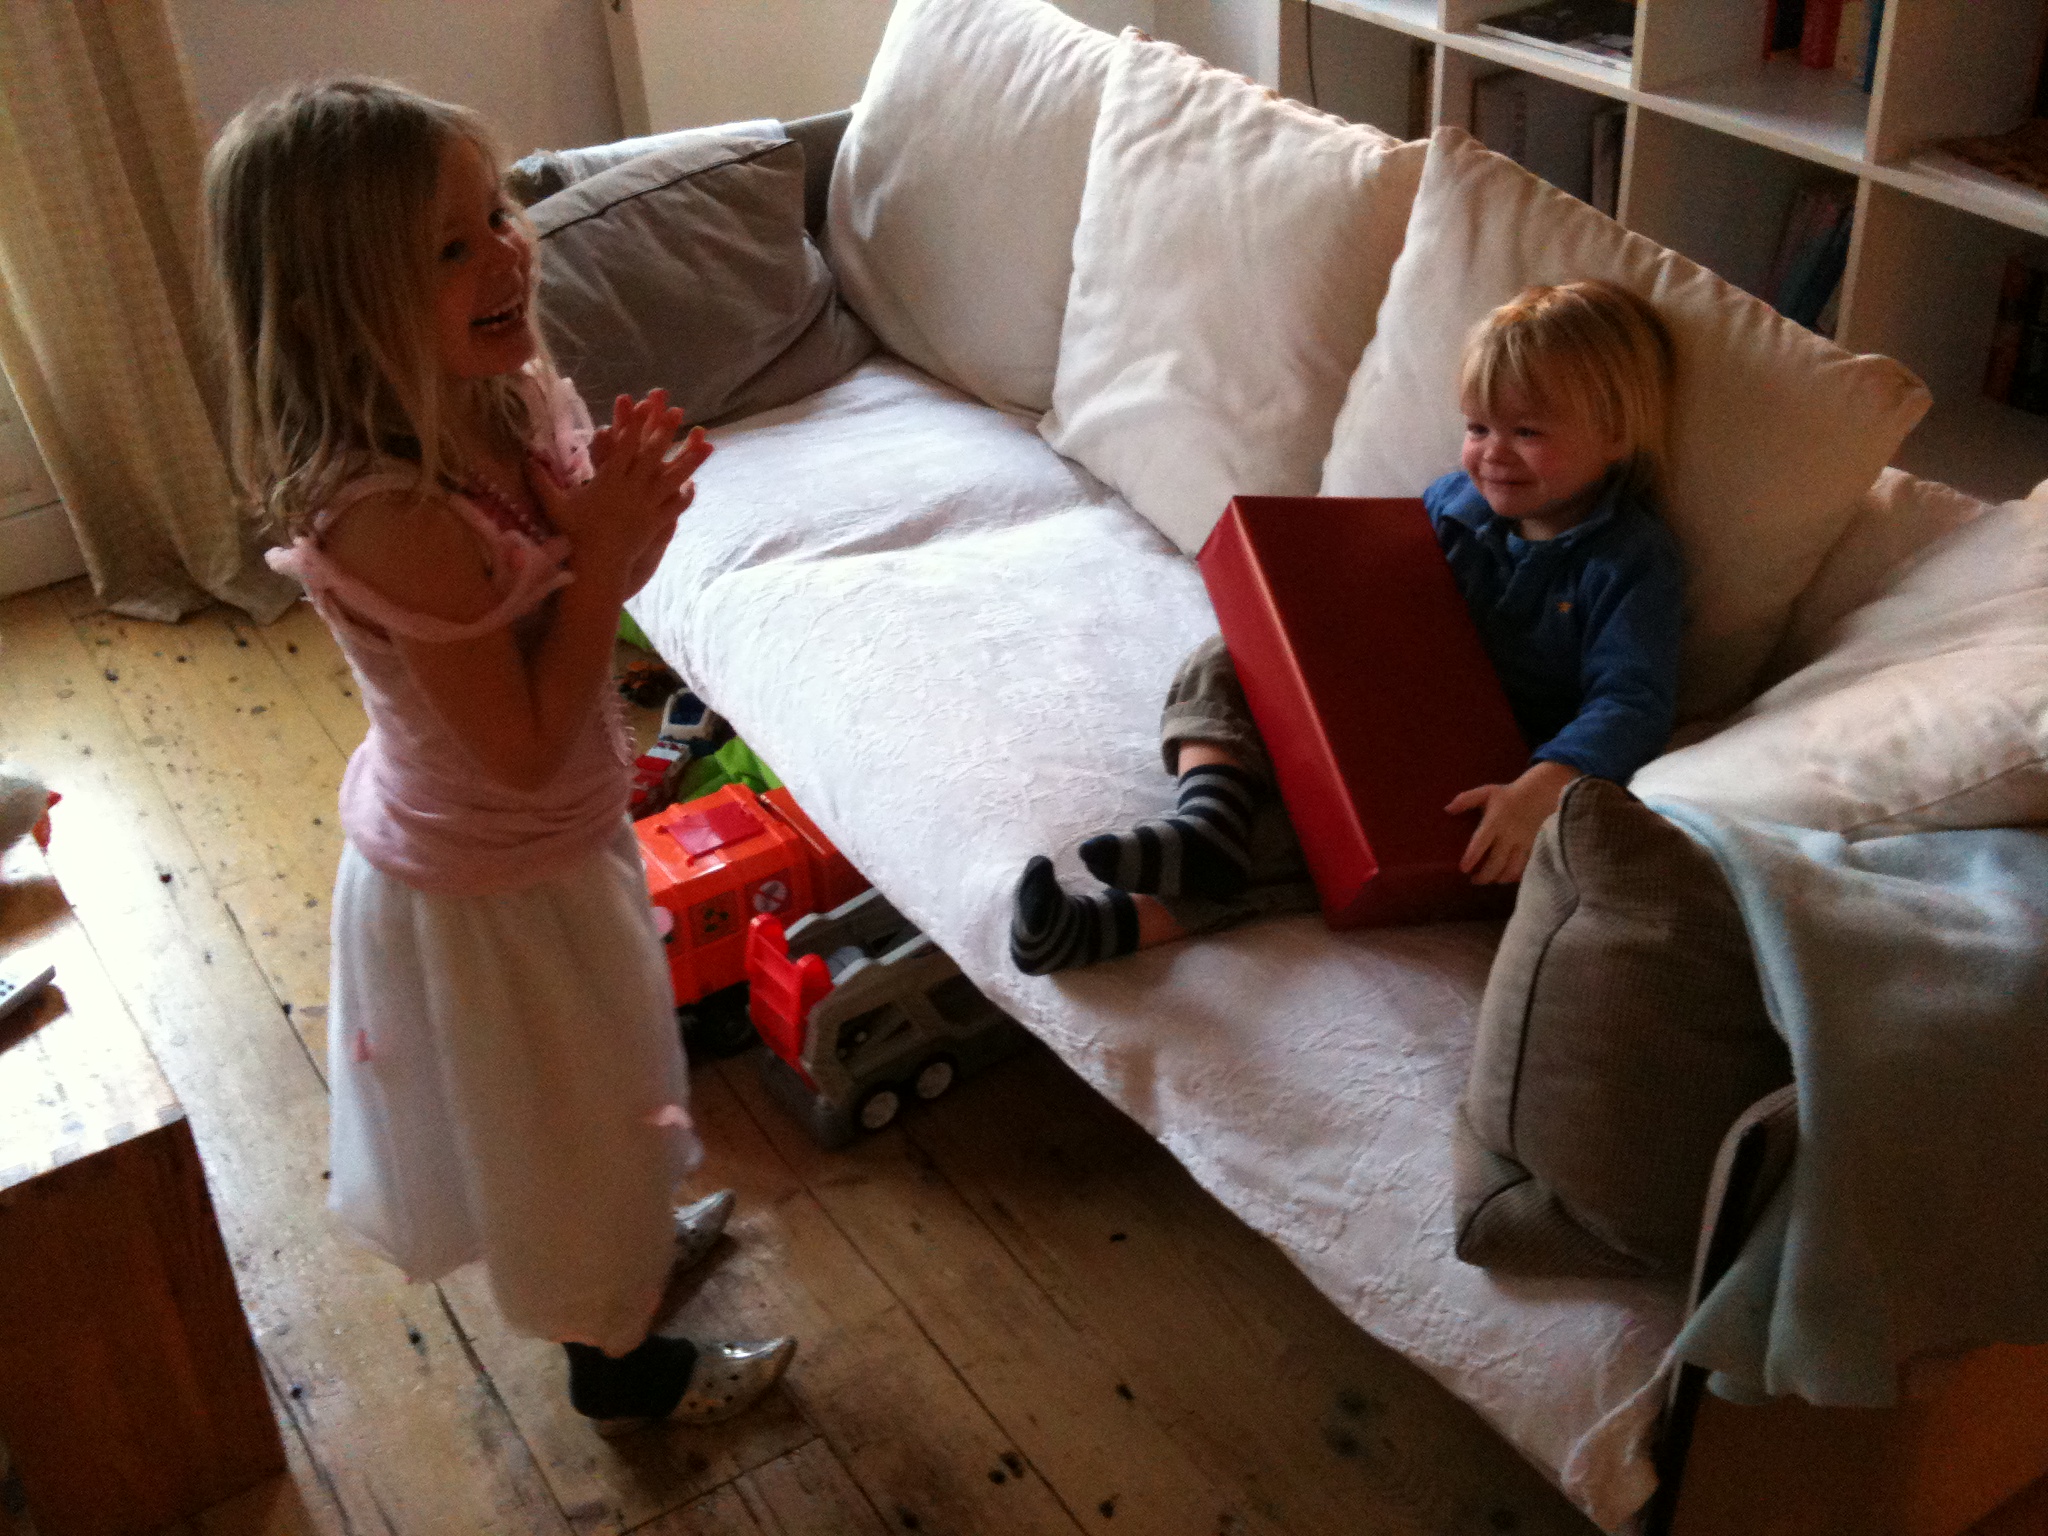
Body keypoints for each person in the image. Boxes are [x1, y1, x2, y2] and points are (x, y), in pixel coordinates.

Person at [204, 78, 794, 1433]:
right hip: (494, 889)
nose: (506, 255)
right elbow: (523, 744)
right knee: (567, 1138)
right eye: (446, 249)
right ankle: (618, 1365)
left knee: (611, 1096)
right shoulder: (389, 514)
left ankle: (624, 1249)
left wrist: (617, 539)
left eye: (499, 215)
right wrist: (600, 558)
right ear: (331, 311)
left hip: (553, 845)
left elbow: (569, 602)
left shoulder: (497, 399)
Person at [1012, 279, 1684, 974]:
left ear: (1615, 433)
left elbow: (1632, 700)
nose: (1493, 454)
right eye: (1478, 428)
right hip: (1387, 699)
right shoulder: (1455, 502)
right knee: (1226, 658)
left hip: (1480, 768)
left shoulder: (1631, 561)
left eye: (1528, 432)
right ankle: (1208, 814)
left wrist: (1542, 786)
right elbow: (1383, 590)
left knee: (1316, 841)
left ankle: (1108, 924)